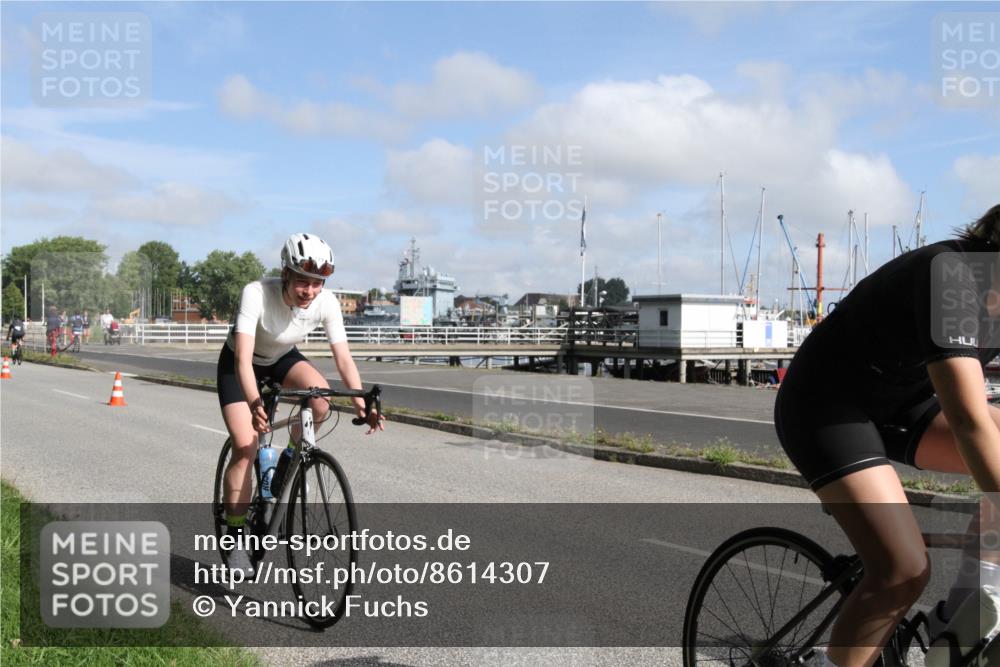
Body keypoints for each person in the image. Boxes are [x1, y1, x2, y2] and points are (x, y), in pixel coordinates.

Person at [775, 204, 1000, 667]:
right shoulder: (952, 277)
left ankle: (960, 616)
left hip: (902, 402)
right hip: (827, 405)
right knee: (902, 569)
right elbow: (969, 421)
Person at [217, 233, 385, 572]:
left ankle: (287, 463)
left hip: (282, 357)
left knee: (321, 401)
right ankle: (235, 541)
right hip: (240, 366)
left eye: (316, 283)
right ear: (285, 275)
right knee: (245, 447)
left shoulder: (327, 302)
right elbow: (243, 360)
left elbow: (344, 359)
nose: (309, 291)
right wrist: (254, 403)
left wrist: (362, 406)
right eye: (302, 283)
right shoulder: (256, 294)